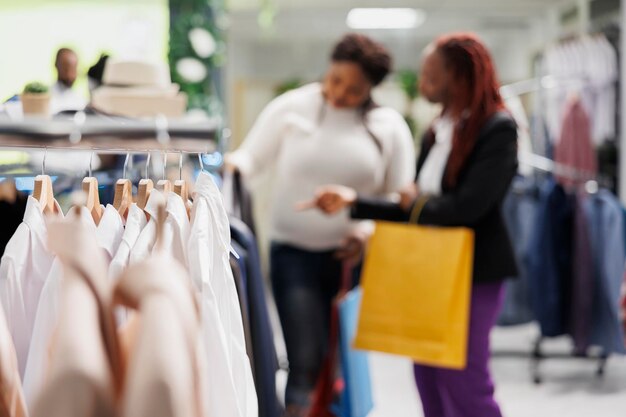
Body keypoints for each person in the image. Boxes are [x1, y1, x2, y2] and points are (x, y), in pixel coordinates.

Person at [310, 33, 518, 417]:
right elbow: (414, 206)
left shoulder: (497, 128)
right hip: (431, 269)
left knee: (464, 378)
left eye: (430, 74)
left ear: (458, 75)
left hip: (474, 272)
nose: (422, 83)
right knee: (428, 374)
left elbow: (468, 207)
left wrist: (416, 201)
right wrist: (356, 200)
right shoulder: (439, 129)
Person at [225, 33, 416, 416]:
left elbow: (400, 200)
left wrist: (365, 233)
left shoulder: (388, 126)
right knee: (305, 358)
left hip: (352, 260)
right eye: (335, 80)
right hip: (292, 252)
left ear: (372, 89)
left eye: (354, 89)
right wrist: (226, 172)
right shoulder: (292, 108)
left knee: (340, 359)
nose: (339, 93)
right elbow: (250, 159)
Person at [50, 47, 86, 113]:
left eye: (73, 69)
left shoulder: (81, 102)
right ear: (56, 65)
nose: (69, 75)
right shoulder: (43, 98)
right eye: (65, 68)